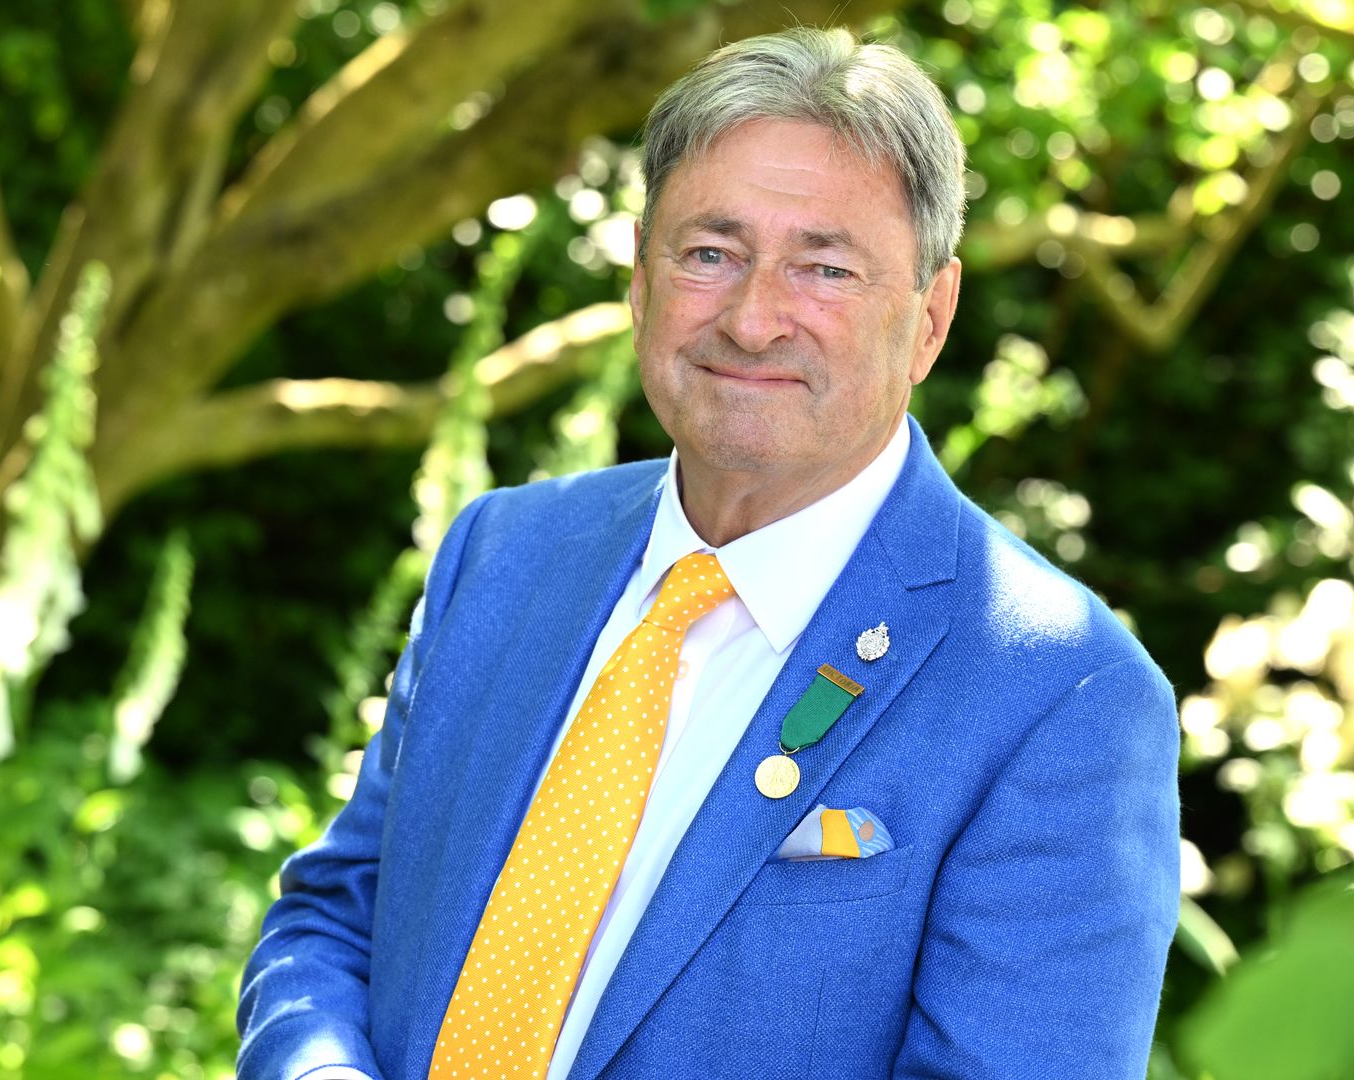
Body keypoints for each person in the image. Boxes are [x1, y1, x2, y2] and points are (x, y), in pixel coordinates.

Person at [237, 27, 1179, 1080]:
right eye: (710, 253)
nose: (754, 318)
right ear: (641, 278)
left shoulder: (1058, 691)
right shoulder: (504, 553)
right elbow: (335, 919)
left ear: (931, 317)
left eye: (824, 267)